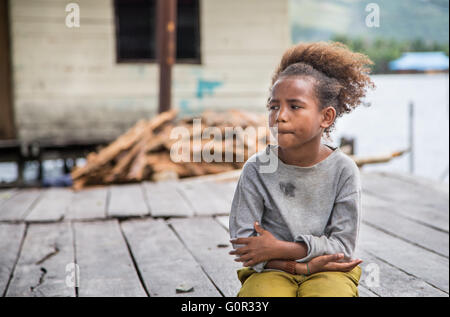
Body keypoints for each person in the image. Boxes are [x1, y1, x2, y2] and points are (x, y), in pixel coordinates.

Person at [228, 41, 375, 297]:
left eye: (294, 106)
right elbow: (246, 245)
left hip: (330, 269)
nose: (280, 116)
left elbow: (342, 246)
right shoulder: (256, 169)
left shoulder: (344, 171)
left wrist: (280, 249)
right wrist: (299, 266)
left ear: (325, 117)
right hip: (269, 270)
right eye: (274, 106)